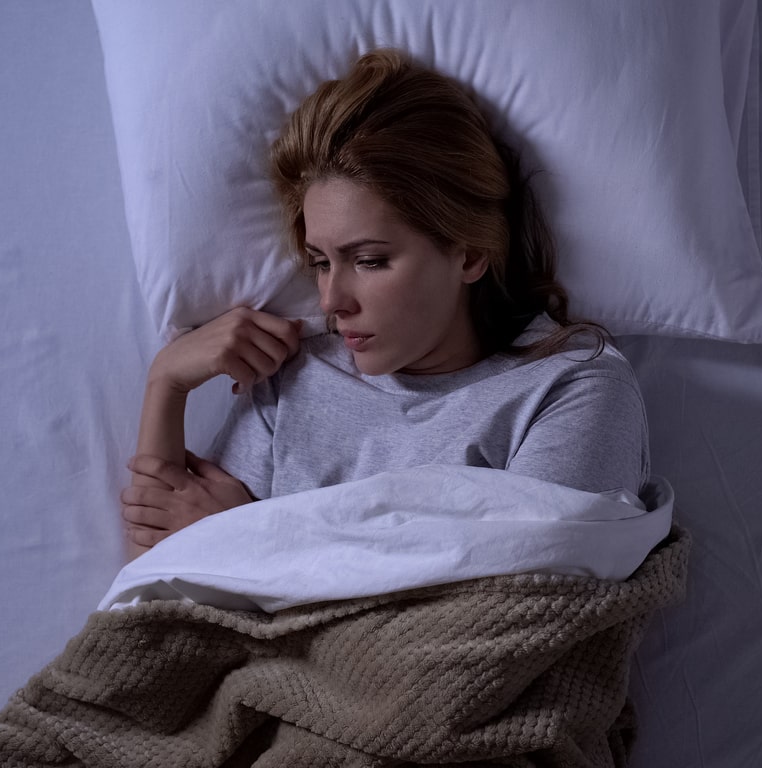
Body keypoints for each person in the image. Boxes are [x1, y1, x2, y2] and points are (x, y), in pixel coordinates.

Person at [120, 49, 650, 558]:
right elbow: (156, 601)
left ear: (469, 254)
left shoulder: (568, 388)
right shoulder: (294, 377)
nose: (331, 300)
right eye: (321, 262)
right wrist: (165, 384)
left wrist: (244, 538)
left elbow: (516, 613)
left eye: (370, 261)